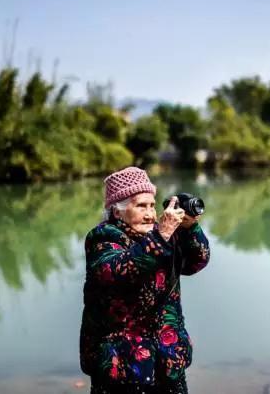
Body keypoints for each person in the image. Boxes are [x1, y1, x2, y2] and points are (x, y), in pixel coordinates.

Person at [80, 167, 210, 394]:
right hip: (122, 368)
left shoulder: (162, 235)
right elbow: (119, 272)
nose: (150, 214)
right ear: (117, 211)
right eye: (141, 206)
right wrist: (161, 236)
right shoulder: (103, 238)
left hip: (167, 359)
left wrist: (190, 229)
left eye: (152, 205)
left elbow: (196, 262)